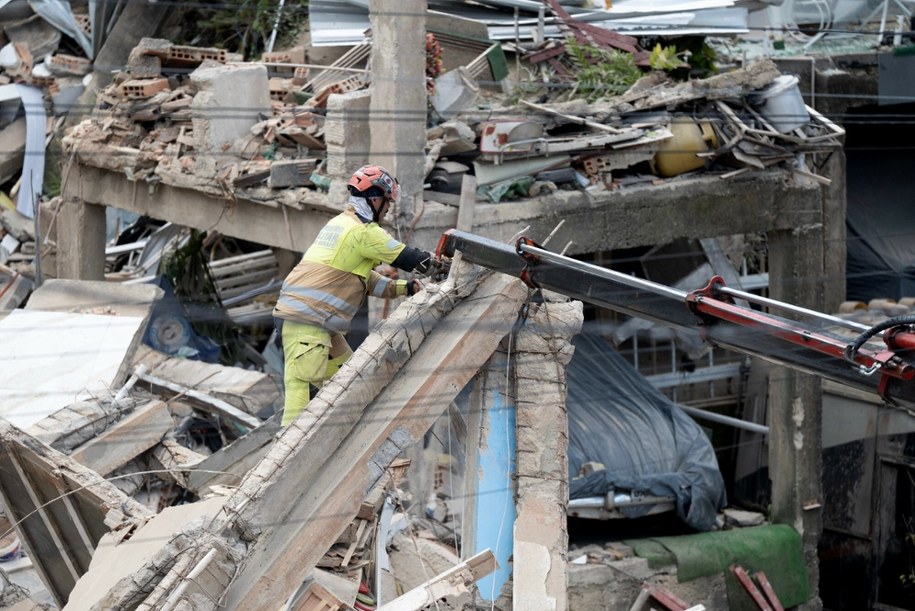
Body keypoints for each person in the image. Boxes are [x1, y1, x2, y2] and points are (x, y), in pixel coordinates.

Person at [273, 164, 434, 426]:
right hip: (309, 323)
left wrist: (408, 288)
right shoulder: (364, 233)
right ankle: (286, 461)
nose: (389, 208)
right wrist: (440, 265)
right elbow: (410, 258)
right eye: (387, 202)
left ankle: (336, 438)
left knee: (350, 383)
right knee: (298, 405)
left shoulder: (340, 223)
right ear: (375, 199)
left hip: (312, 321)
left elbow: (365, 281)